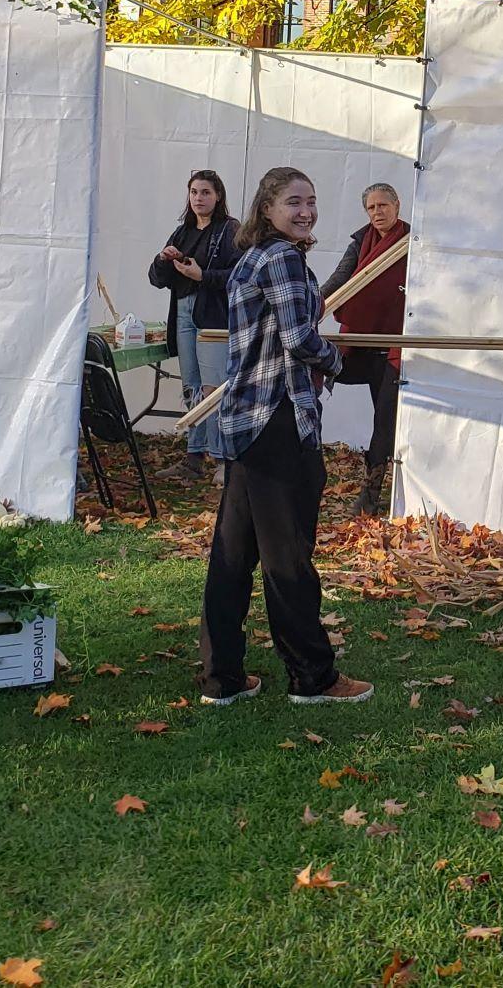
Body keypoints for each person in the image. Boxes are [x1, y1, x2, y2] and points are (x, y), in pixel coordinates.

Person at [193, 166, 374, 707]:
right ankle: (313, 678)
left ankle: (221, 678)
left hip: (246, 420)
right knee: (288, 556)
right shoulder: (284, 259)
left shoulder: (253, 258)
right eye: (293, 201)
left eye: (311, 201)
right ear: (267, 208)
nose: (306, 211)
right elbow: (300, 339)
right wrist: (337, 360)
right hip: (276, 423)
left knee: (232, 556)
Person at [319, 183, 410, 516]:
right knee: (315, 368)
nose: (378, 212)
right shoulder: (360, 242)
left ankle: (371, 493)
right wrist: (315, 304)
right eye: (371, 208)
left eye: (383, 205)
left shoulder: (412, 242)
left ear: (397, 205)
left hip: (396, 345)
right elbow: (341, 278)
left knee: (385, 419)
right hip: (360, 341)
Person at [150, 170, 239, 479]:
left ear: (218, 197)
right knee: (192, 387)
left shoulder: (229, 230)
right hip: (184, 314)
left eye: (205, 192)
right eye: (194, 192)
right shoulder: (182, 232)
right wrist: (164, 259)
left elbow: (240, 277)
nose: (199, 198)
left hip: (214, 317)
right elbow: (156, 279)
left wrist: (203, 277)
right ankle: (194, 456)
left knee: (214, 388)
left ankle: (222, 459)